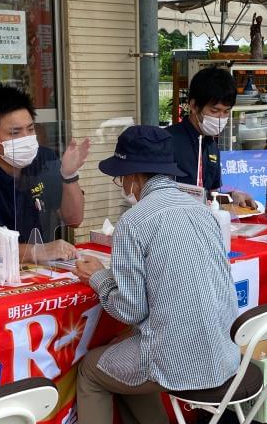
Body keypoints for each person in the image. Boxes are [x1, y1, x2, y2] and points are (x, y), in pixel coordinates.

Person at [73, 125, 239, 424]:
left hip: (179, 364)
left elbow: (130, 310)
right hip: (223, 352)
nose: (122, 184)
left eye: (120, 177)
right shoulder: (200, 210)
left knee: (91, 370)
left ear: (133, 177)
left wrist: (98, 277)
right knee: (120, 358)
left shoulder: (134, 222)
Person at [0, 84, 90, 261]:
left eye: (31, 129)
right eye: (15, 133)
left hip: (44, 270)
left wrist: (69, 175)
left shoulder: (45, 159)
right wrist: (36, 252)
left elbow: (74, 220)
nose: (26, 138)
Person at [166, 67, 256, 208]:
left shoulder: (211, 146)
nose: (221, 118)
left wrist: (232, 196)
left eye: (226, 112)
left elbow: (209, 196)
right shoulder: (167, 141)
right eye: (215, 111)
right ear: (194, 106)